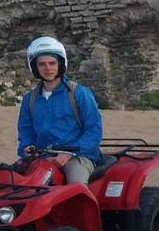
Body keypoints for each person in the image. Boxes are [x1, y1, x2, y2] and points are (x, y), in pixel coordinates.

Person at [17, 36, 103, 184]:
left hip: (78, 156)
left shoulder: (78, 93)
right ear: (35, 67)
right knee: (10, 182)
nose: (48, 68)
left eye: (52, 63)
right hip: (42, 156)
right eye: (42, 64)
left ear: (60, 64)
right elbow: (26, 130)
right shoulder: (29, 99)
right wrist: (27, 146)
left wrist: (69, 154)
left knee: (76, 189)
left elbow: (94, 129)